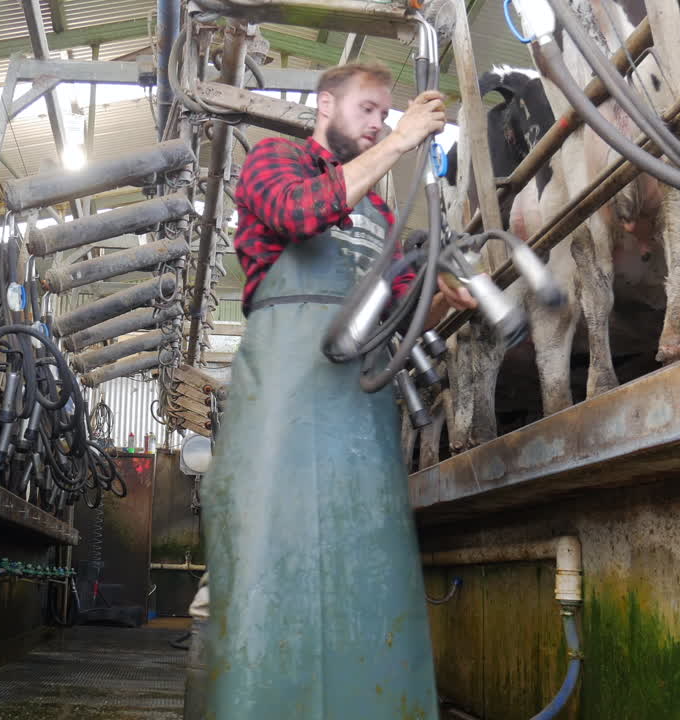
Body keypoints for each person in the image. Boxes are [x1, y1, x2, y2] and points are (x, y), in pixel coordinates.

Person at [200, 63, 476, 718]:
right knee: (277, 562)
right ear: (326, 105)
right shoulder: (276, 160)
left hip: (361, 419)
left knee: (370, 571)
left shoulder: (380, 209)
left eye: (386, 114)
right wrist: (404, 140)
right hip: (284, 409)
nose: (380, 122)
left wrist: (437, 300)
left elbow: (397, 319)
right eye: (370, 110)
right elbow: (301, 215)